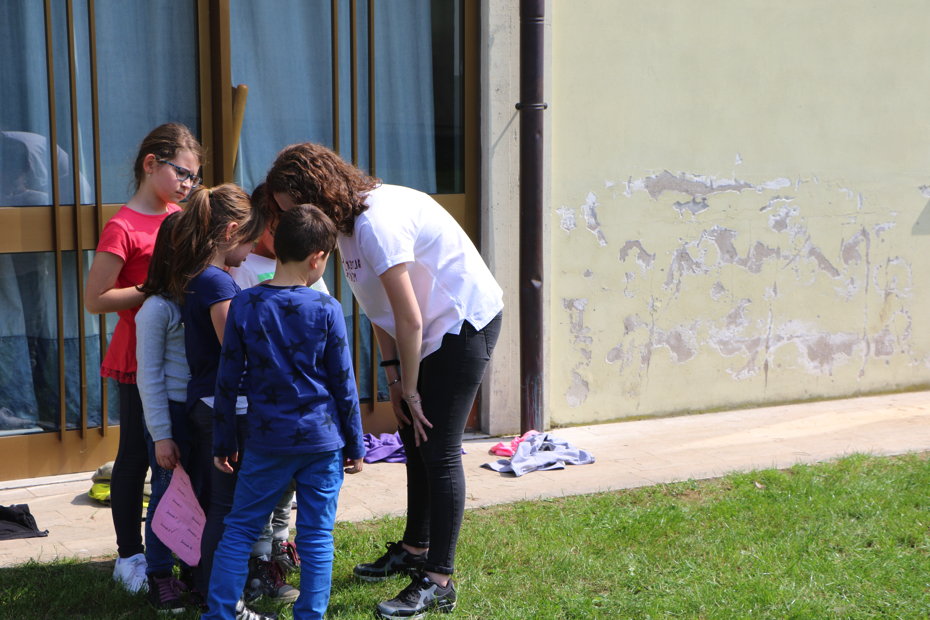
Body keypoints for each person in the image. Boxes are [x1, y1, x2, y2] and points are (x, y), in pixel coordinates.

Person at [266, 143, 504, 619]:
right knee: (412, 436)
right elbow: (380, 310)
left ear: (314, 192)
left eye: (293, 208)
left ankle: (438, 581)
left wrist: (411, 390)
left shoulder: (376, 221)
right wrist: (394, 379)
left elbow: (409, 317)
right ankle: (415, 549)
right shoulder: (345, 227)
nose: (293, 221)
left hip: (461, 322)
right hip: (423, 331)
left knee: (437, 446)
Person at [204, 204, 365, 620]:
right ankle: (309, 616)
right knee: (316, 535)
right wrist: (356, 444)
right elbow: (344, 384)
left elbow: (227, 381)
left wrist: (223, 441)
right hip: (322, 442)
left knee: (239, 528)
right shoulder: (327, 309)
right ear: (317, 258)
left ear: (276, 247)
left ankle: (220, 613)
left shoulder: (244, 304)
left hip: (265, 441)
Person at [84, 123, 204, 593]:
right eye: (181, 172)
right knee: (136, 455)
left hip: (178, 356)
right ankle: (129, 556)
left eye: (194, 177)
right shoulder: (122, 226)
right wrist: (152, 288)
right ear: (150, 164)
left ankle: (175, 546)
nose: (188, 184)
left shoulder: (179, 215)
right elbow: (95, 299)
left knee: (176, 454)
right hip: (137, 357)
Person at [166, 183, 284, 618]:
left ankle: (210, 593)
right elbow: (238, 352)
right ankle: (225, 602)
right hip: (227, 409)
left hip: (206, 403)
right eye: (250, 239)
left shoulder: (200, 276)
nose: (252, 250)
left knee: (218, 505)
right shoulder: (218, 284)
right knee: (230, 511)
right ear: (232, 231)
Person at [228, 182, 330, 592]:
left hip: (304, 410)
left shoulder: (310, 277)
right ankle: (258, 564)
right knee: (260, 494)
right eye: (278, 223)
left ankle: (279, 545)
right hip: (264, 410)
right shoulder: (243, 270)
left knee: (287, 489)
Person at [135, 211, 198, 612]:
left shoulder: (198, 300)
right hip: (169, 418)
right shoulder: (156, 309)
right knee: (165, 496)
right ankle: (159, 575)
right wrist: (161, 435)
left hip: (196, 415)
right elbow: (148, 377)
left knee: (197, 495)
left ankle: (191, 568)